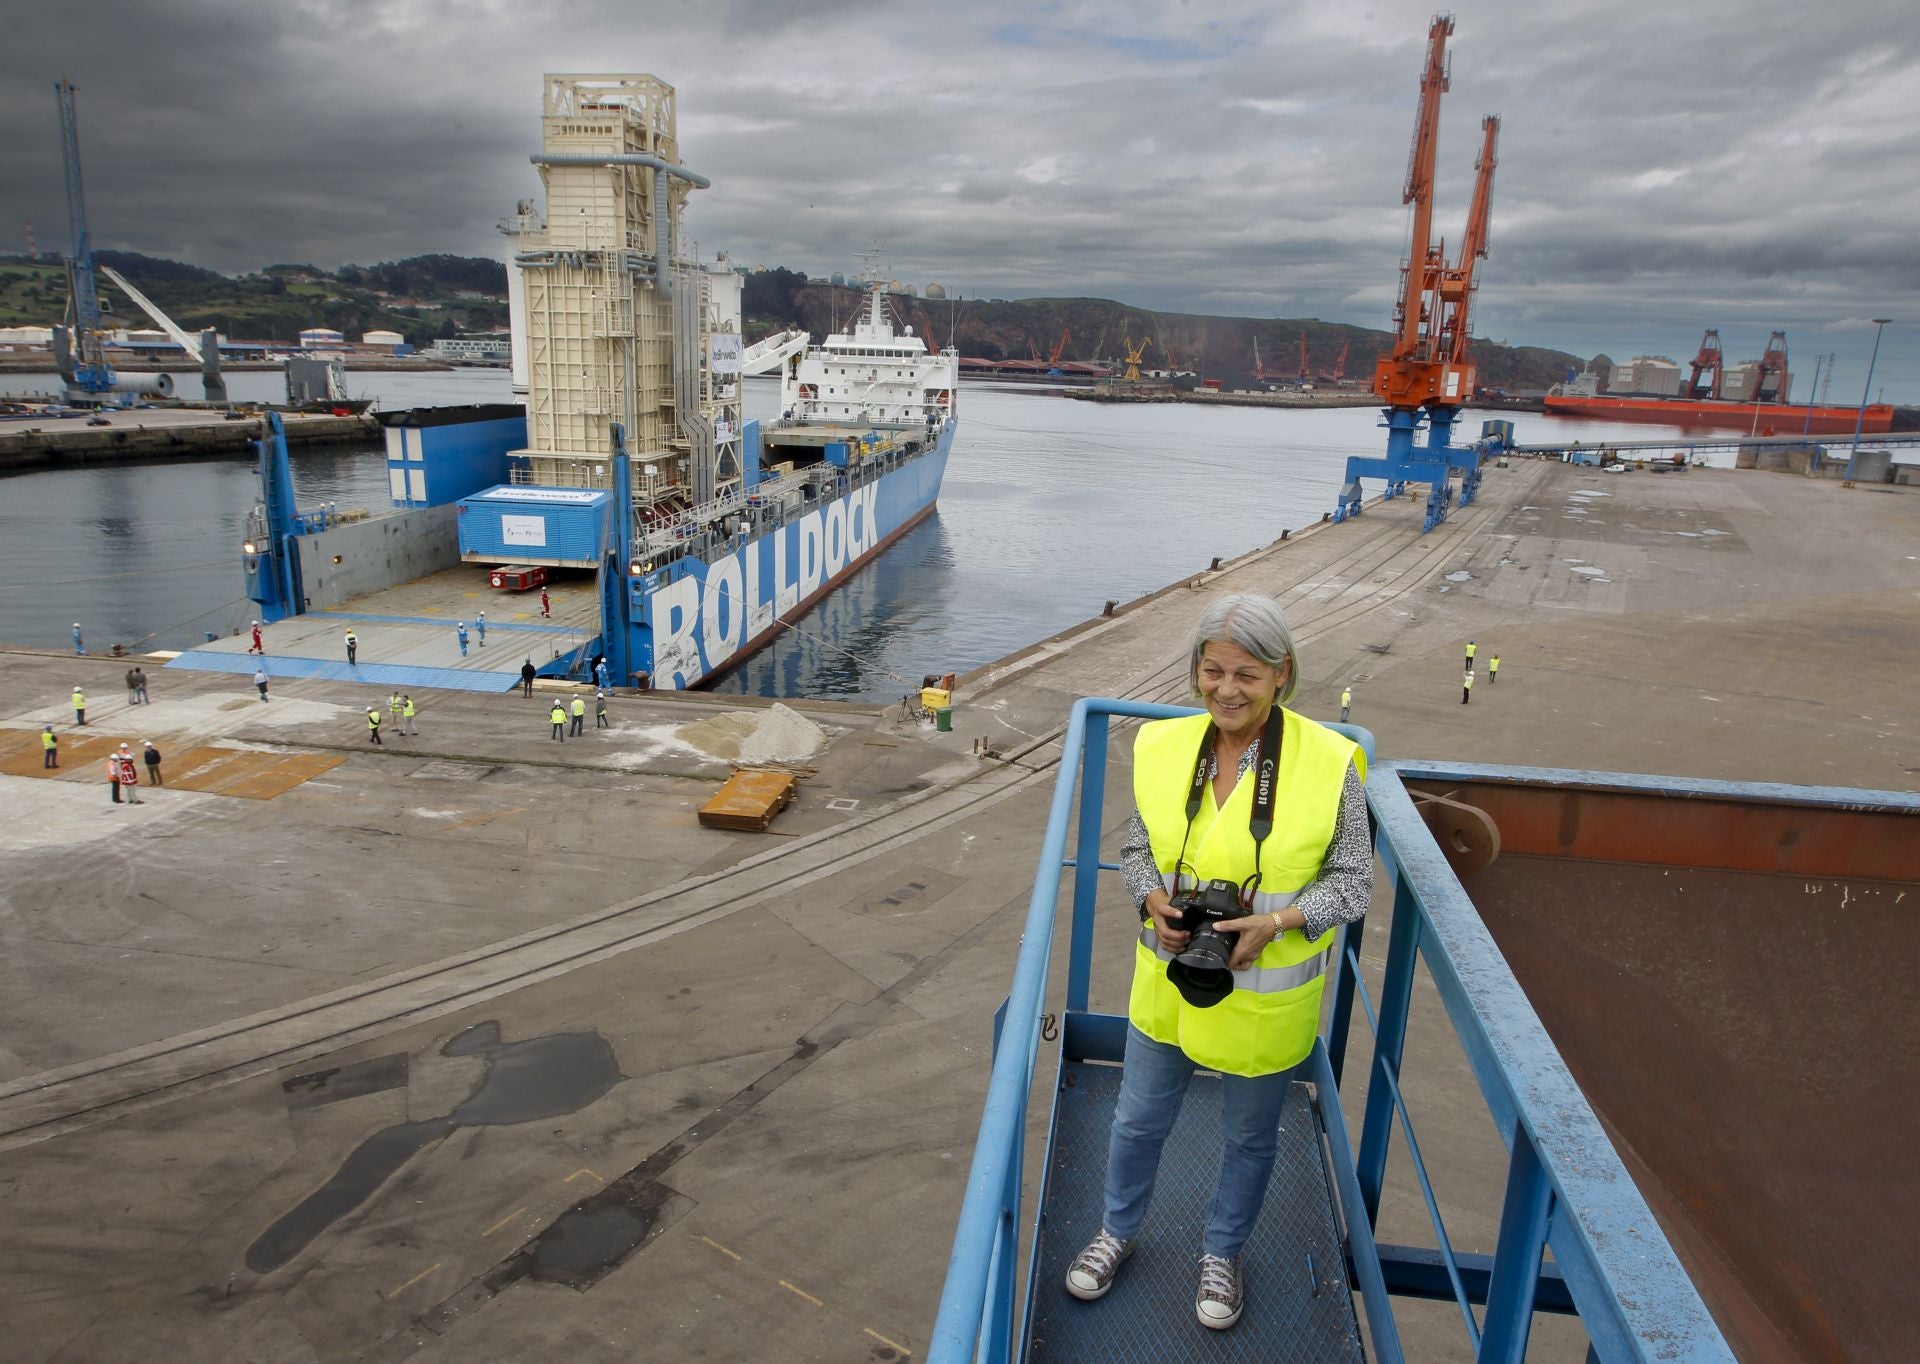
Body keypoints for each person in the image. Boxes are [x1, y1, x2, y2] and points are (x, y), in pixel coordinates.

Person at [1065, 593, 1371, 1331]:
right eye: (1213, 672)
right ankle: (1115, 1231)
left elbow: (1354, 881)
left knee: (1249, 1139)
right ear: (1196, 669)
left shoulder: (1329, 763)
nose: (1226, 690)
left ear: (1281, 674)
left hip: (1267, 998)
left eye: (1247, 675)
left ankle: (1223, 1253)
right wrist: (1150, 900)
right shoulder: (1163, 748)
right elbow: (1137, 847)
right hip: (1169, 981)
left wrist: (1278, 921)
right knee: (1136, 1121)